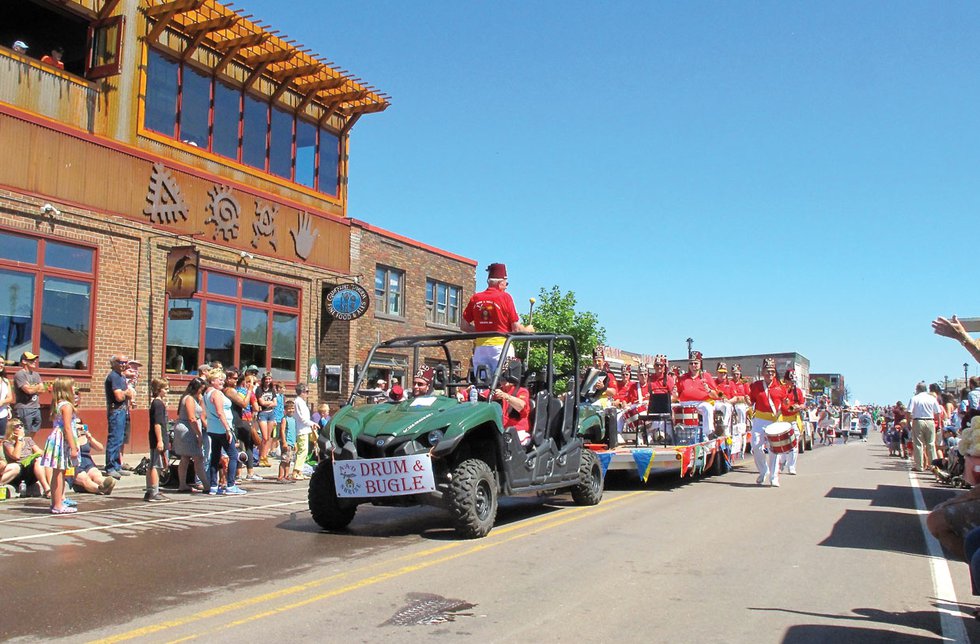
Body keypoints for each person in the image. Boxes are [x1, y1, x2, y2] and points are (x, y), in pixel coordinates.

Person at [461, 263, 534, 377]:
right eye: (506, 283)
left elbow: (464, 326)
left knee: (482, 385)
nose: (506, 286)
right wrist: (528, 329)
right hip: (501, 347)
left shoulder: (476, 298)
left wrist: (482, 330)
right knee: (504, 383)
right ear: (501, 283)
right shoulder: (505, 297)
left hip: (480, 348)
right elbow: (516, 329)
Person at [202, 368, 245, 495]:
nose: (222, 381)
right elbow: (220, 412)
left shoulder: (206, 393)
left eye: (223, 379)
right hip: (222, 429)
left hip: (213, 429)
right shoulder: (216, 394)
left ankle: (214, 486)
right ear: (212, 380)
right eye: (219, 379)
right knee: (233, 455)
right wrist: (227, 429)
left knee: (215, 456)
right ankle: (231, 485)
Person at [40, 377, 80, 514]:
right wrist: (73, 447)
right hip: (61, 439)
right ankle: (57, 505)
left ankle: (57, 502)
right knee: (59, 472)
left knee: (58, 472)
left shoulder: (58, 403)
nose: (75, 389)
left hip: (56, 437)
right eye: (72, 387)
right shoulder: (67, 406)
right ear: (66, 390)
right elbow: (68, 428)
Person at [748, 357, 787, 487]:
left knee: (774, 450)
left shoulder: (781, 387)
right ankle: (763, 470)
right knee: (755, 446)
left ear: (775, 373)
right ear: (763, 372)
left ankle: (774, 477)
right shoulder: (756, 386)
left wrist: (783, 409)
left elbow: (786, 405)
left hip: (774, 421)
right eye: (767, 371)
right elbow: (751, 400)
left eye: (772, 371)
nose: (769, 374)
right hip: (759, 419)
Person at [171, 377, 208, 493]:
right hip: (188, 429)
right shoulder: (189, 399)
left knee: (185, 458)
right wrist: (198, 434)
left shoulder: (191, 398)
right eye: (200, 390)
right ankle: (206, 485)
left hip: (185, 427)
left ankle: (183, 484)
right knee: (198, 457)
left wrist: (201, 399)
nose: (201, 392)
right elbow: (192, 418)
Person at [675, 351, 720, 441]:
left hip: (700, 403)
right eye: (691, 363)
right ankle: (670, 433)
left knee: (707, 408)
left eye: (696, 363)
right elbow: (678, 396)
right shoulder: (683, 377)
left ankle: (708, 433)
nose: (693, 365)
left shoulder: (706, 376)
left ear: (700, 363)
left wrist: (708, 390)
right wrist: (674, 394)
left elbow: (716, 395)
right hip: (684, 403)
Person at [3, 418, 50, 497]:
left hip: (31, 472)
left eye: (21, 425)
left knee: (41, 460)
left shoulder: (28, 439)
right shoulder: (8, 443)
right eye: (17, 426)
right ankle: (47, 490)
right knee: (38, 461)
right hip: (18, 472)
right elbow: (16, 456)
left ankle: (49, 488)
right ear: (11, 429)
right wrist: (19, 440)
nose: (21, 427)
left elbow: (39, 451)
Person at [104, 354, 133, 479]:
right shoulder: (114, 377)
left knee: (120, 439)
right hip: (116, 411)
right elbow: (119, 397)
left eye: (126, 362)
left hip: (122, 411)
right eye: (121, 362)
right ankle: (110, 467)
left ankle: (117, 465)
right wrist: (126, 393)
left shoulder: (121, 376)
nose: (124, 365)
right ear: (114, 363)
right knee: (114, 439)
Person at [71, 420, 116, 495]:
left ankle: (106, 484)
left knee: (96, 475)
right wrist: (75, 437)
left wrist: (90, 438)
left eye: (80, 424)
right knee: (85, 479)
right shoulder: (68, 438)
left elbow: (100, 448)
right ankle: (99, 489)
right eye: (76, 425)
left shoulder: (85, 437)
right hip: (75, 465)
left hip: (88, 463)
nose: (79, 427)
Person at [493, 359, 531, 445]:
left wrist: (505, 396)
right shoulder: (498, 390)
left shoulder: (522, 391)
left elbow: (521, 406)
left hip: (517, 430)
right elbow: (482, 396)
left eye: (504, 375)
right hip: (500, 429)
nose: (502, 379)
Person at [144, 378, 170, 502]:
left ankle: (150, 490)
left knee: (153, 464)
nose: (167, 391)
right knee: (157, 465)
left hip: (155, 438)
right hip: (158, 438)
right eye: (165, 389)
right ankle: (154, 491)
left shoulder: (156, 403)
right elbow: (158, 424)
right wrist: (160, 440)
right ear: (158, 390)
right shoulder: (158, 404)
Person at [909, 381, 942, 473]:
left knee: (918, 444)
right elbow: (938, 412)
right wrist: (938, 424)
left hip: (918, 420)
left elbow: (908, 411)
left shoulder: (915, 398)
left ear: (918, 389)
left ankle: (919, 466)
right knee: (931, 444)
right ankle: (934, 466)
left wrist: (908, 422)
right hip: (930, 420)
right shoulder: (931, 399)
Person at [779, 369, 805, 475]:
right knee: (782, 443)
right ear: (785, 380)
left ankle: (792, 466)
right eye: (790, 381)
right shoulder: (780, 390)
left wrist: (798, 407)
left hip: (794, 419)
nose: (792, 383)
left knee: (794, 443)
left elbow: (803, 404)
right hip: (781, 419)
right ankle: (782, 461)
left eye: (794, 381)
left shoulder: (798, 391)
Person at [13, 351, 44, 436]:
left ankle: (28, 447)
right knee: (25, 431)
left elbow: (42, 389)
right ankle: (23, 448)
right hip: (24, 408)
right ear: (24, 361)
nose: (34, 361)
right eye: (31, 360)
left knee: (35, 429)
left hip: (36, 407)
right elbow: (28, 391)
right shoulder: (20, 374)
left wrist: (33, 387)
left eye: (35, 359)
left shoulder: (36, 375)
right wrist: (37, 387)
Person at [292, 383, 314, 480]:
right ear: (302, 392)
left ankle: (300, 471)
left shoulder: (301, 402)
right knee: (302, 451)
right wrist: (312, 423)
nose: (307, 394)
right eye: (306, 392)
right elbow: (302, 418)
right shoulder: (298, 402)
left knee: (304, 451)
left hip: (305, 429)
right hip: (301, 429)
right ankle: (295, 472)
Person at [255, 373, 277, 466]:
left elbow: (275, 403)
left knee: (268, 437)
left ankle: (264, 457)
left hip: (271, 414)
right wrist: (269, 403)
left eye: (269, 379)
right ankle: (261, 456)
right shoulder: (259, 389)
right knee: (264, 437)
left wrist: (268, 403)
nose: (268, 381)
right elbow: (261, 402)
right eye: (266, 379)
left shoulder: (272, 389)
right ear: (263, 380)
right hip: (263, 414)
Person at [278, 399, 297, 482]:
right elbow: (282, 430)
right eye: (289, 409)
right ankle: (280, 476)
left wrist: (295, 443)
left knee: (289, 460)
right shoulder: (284, 419)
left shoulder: (293, 419)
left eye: (292, 408)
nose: (291, 410)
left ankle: (286, 475)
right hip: (287, 442)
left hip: (292, 442)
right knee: (284, 460)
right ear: (285, 410)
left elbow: (294, 431)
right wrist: (284, 442)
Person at [0, 357, 13, 436]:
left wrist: (3, 402)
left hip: (2, 414)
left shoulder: (5, 381)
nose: (1, 365)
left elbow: (10, 397)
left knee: (1, 440)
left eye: (2, 363)